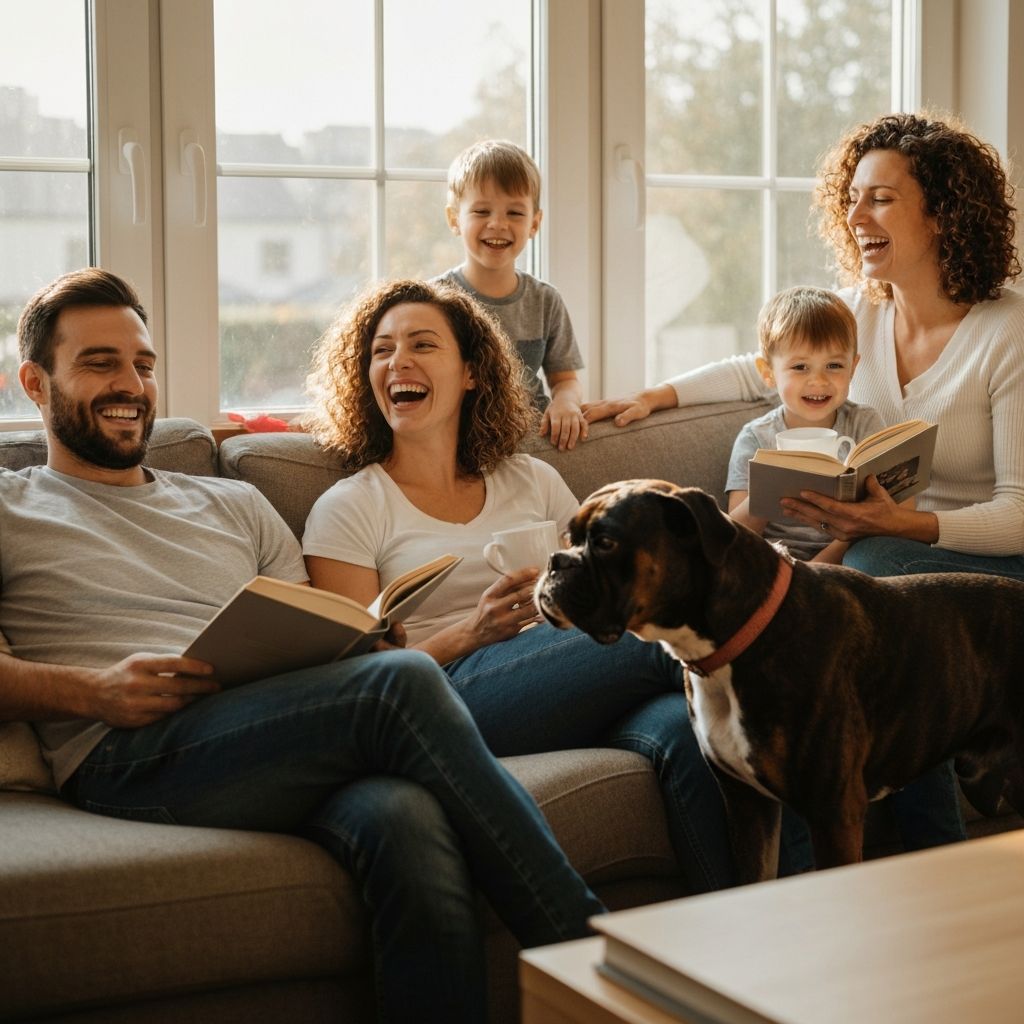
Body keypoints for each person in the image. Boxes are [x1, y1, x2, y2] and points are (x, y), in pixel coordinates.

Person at [4, 267, 606, 1024]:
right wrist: (91, 692)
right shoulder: (11, 506)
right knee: (400, 684)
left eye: (143, 365)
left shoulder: (235, 502)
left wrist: (368, 635)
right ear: (34, 382)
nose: (131, 383)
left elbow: (323, 635)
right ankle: (598, 967)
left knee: (405, 816)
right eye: (100, 363)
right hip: (128, 751)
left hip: (267, 733)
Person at [584, 111, 1024, 855]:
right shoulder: (859, 311)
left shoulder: (1007, 332)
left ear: (944, 211)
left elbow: (1020, 513)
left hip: (977, 571)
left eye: (880, 198)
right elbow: (755, 363)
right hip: (874, 558)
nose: (855, 215)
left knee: (869, 589)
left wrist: (896, 528)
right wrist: (654, 397)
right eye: (851, 196)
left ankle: (929, 866)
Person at [301, 277, 737, 894]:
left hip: (572, 676)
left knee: (684, 728)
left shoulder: (530, 478)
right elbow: (356, 686)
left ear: (472, 373)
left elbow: (600, 592)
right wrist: (470, 632)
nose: (399, 361)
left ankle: (736, 935)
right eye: (381, 349)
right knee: (666, 636)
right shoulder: (350, 508)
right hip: (450, 698)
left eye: (423, 345)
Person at [434, 138, 588, 450]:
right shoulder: (435, 300)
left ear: (535, 223)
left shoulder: (546, 301)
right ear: (454, 220)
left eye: (515, 213)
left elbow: (565, 380)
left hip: (532, 444)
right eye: (481, 210)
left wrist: (566, 404)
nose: (498, 224)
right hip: (460, 446)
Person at [727, 285, 884, 564]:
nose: (819, 381)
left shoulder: (865, 424)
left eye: (834, 365)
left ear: (853, 367)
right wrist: (771, 486)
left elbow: (878, 518)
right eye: (800, 367)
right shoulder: (755, 438)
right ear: (768, 373)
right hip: (775, 562)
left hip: (846, 558)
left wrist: (818, 570)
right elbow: (735, 536)